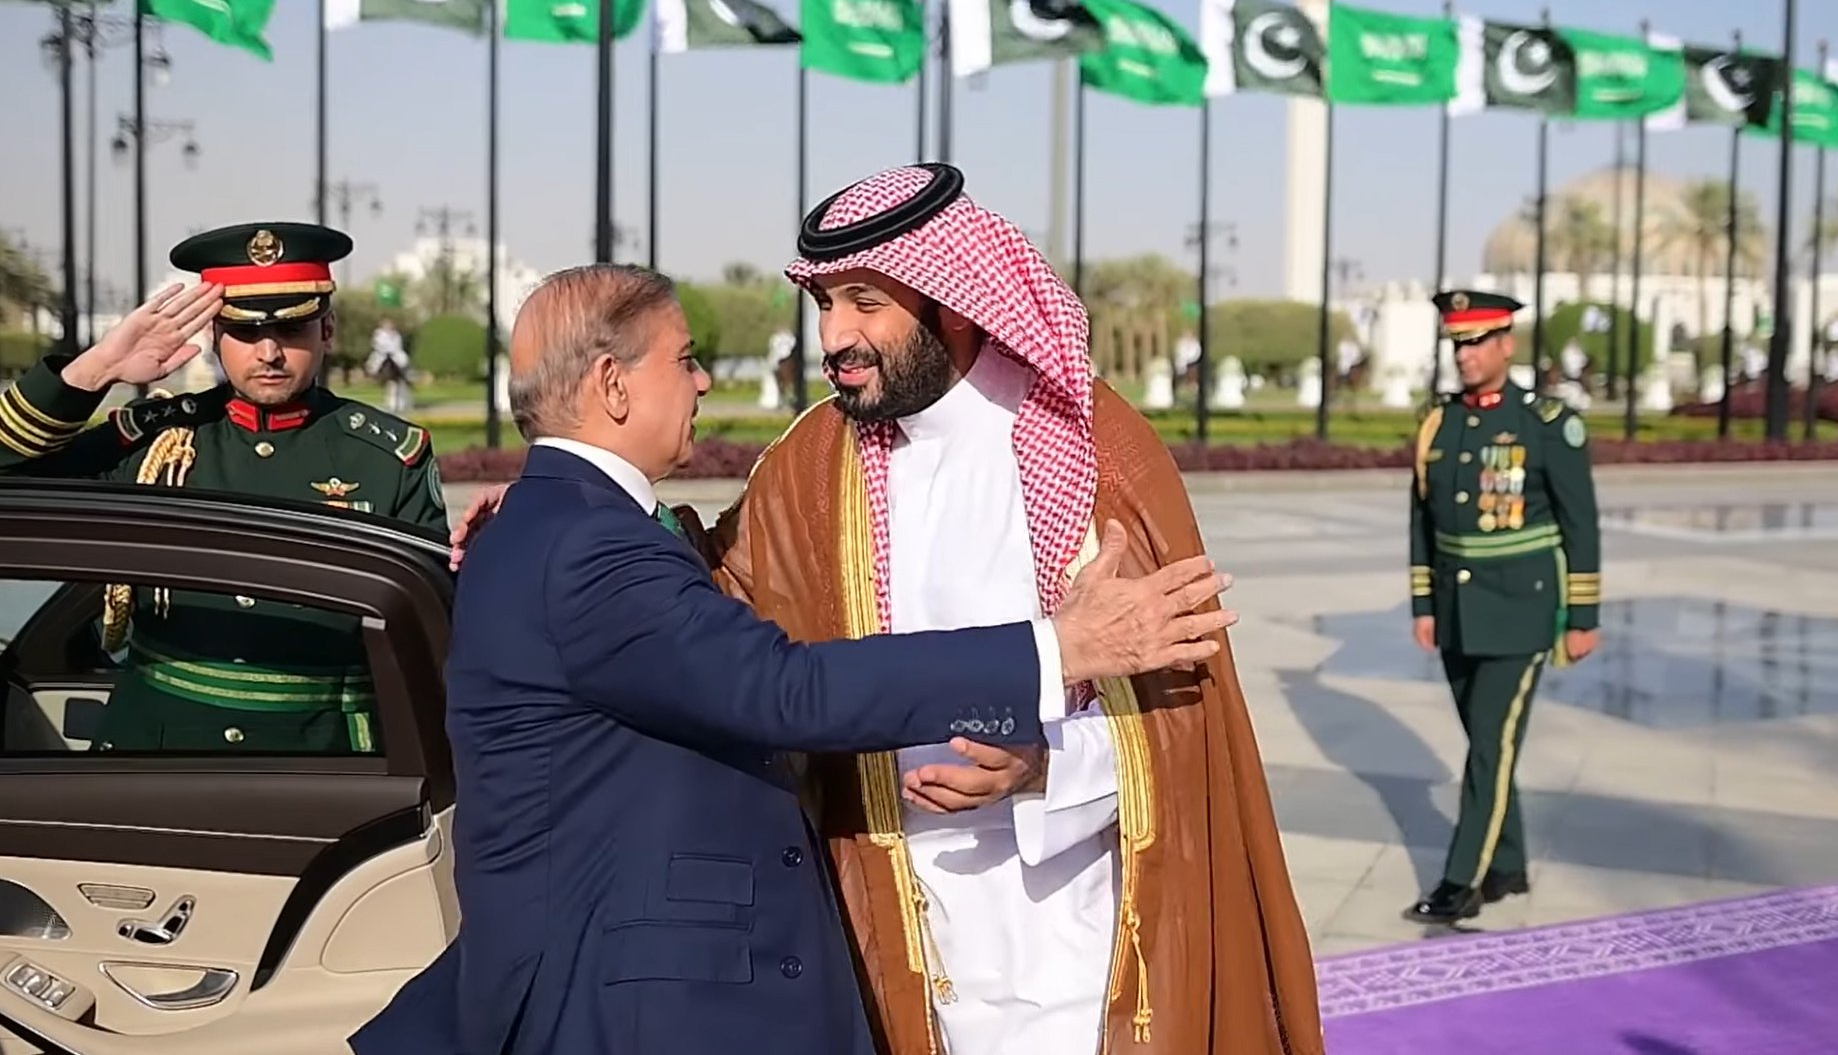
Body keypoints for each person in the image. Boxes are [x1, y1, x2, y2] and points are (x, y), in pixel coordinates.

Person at [353, 263, 1235, 1055]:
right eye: (685, 360)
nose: (703, 380)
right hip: (648, 1003)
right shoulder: (585, 544)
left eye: (863, 302)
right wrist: (1057, 647)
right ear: (613, 385)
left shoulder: (563, 524)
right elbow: (783, 687)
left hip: (1042, 939)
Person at [699, 164, 1322, 1053]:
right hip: (889, 936)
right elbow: (716, 617)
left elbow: (1183, 728)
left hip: (1072, 949)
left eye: (866, 302)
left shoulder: (1099, 452)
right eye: (825, 303)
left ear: (954, 303)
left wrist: (1044, 771)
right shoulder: (811, 465)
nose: (835, 336)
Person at [0, 222, 447, 753]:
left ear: (327, 329)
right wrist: (97, 370)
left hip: (324, 760)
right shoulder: (156, 439)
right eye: (245, 332)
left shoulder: (388, 456)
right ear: (214, 334)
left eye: (291, 330)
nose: (269, 353)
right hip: (156, 753)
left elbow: (432, 626)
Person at [1405, 290, 1602, 925]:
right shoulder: (1440, 422)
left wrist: (1583, 617)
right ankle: (1509, 865)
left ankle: (1461, 880)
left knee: (1489, 744)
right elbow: (1422, 519)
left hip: (1522, 612)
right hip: (1457, 610)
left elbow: (1581, 524)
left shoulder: (1547, 424)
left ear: (1506, 345)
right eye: (1457, 345)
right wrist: (1424, 602)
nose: (1465, 356)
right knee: (1487, 742)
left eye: (1476, 343)